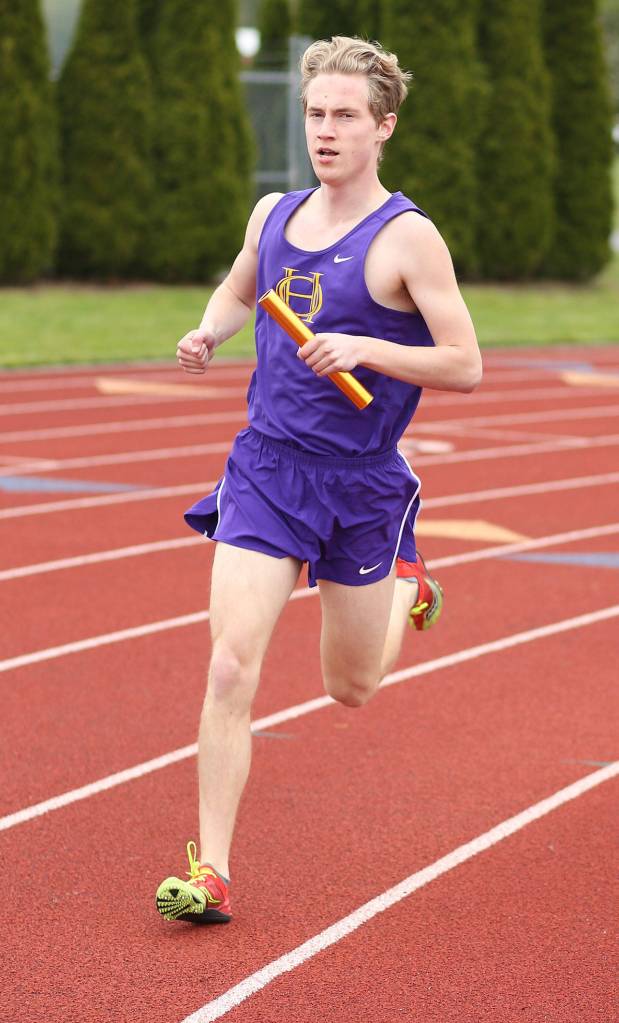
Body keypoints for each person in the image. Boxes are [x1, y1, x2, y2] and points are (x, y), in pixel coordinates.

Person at [155, 35, 482, 925]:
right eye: (314, 114)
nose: (325, 131)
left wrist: (370, 346)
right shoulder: (274, 213)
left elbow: (463, 364)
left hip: (361, 483)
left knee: (350, 689)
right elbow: (238, 288)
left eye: (344, 116)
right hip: (265, 470)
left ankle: (407, 585)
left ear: (382, 126)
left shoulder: (407, 237)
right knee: (228, 666)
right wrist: (207, 331)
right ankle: (212, 870)